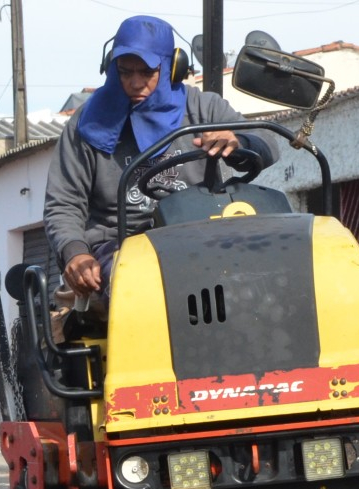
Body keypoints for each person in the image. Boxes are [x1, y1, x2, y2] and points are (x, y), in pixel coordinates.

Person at [44, 14, 280, 309]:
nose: (134, 82)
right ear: (111, 67)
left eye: (147, 72)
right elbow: (63, 204)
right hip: (120, 247)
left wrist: (238, 141)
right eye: (125, 71)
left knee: (269, 275)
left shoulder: (202, 108)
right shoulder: (87, 123)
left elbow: (268, 143)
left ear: (172, 67)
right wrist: (76, 252)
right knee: (141, 282)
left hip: (203, 237)